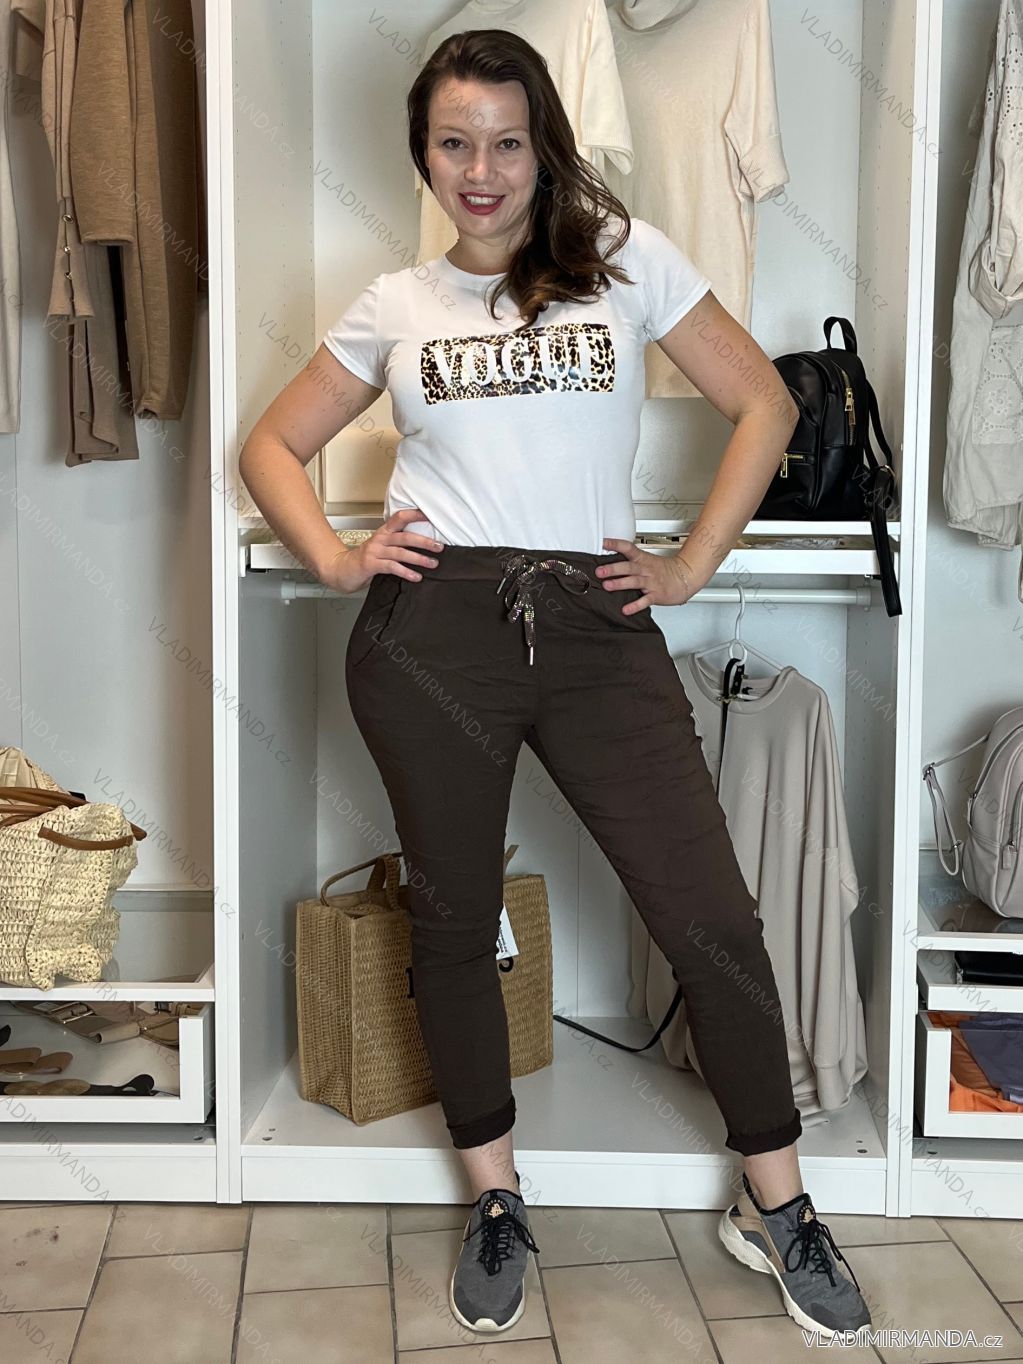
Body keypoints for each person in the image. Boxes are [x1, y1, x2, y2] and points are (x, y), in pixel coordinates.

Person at [239, 27, 871, 1345]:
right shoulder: (396, 304)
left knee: (712, 919)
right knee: (455, 922)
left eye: (507, 143)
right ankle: (496, 1197)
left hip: (595, 625)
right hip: (434, 635)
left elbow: (765, 404)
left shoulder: (625, 263)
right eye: (454, 143)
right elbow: (270, 448)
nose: (481, 171)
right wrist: (342, 561)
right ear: (423, 154)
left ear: (546, 150)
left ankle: (778, 1203)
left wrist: (688, 566)